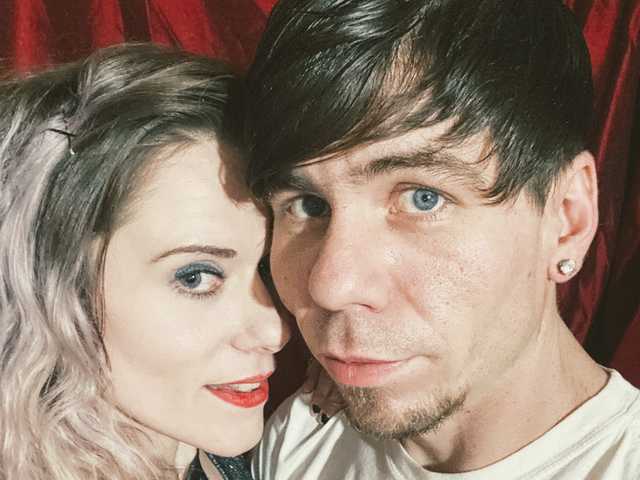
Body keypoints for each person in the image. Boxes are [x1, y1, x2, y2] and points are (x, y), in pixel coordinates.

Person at [242, 0, 640, 478]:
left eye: (423, 198)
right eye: (308, 205)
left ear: (567, 219)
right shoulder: (301, 439)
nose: (331, 287)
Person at [0, 43, 291, 480]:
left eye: (266, 267)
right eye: (196, 277)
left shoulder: (193, 447)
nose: (275, 331)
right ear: (50, 285)